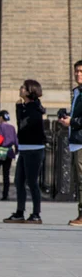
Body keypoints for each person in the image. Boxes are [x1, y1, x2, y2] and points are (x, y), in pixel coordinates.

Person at [4, 80, 46, 224]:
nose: (20, 89)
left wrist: (19, 109)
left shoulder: (34, 107)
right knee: (18, 181)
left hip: (34, 149)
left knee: (32, 182)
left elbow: (23, 125)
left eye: (23, 87)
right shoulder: (24, 106)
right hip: (23, 148)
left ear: (29, 91)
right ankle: (19, 212)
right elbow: (20, 125)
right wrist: (18, 108)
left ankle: (36, 214)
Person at [58, 60, 82, 226]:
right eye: (76, 71)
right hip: (75, 140)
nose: (78, 74)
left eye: (81, 71)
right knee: (77, 180)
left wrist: (72, 121)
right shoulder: (77, 92)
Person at [0, 110, 18, 201]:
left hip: (0, 152)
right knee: (6, 174)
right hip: (9, 152)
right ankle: (5, 195)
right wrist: (17, 151)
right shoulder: (12, 127)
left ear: (1, 117)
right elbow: (16, 141)